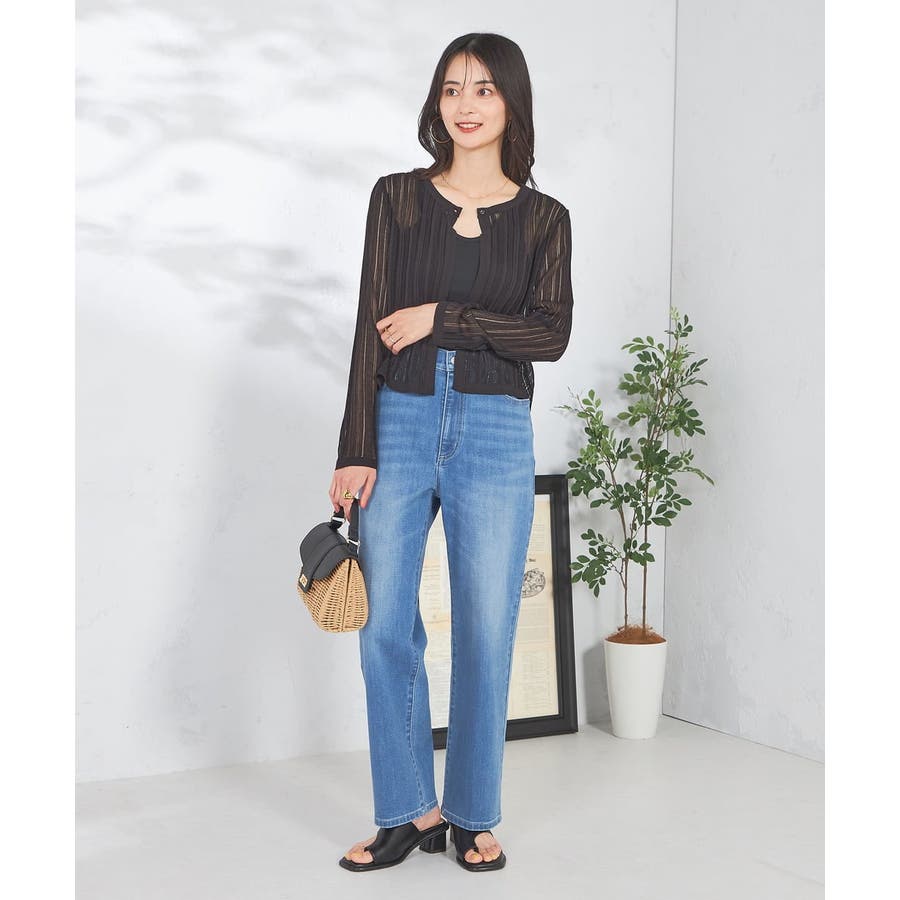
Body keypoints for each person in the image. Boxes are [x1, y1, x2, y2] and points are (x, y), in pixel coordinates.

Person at [330, 33, 574, 873]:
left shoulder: (544, 219)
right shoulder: (397, 198)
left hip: (495, 428)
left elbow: (549, 335)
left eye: (484, 89)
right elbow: (369, 327)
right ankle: (409, 810)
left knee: (486, 625)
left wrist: (445, 316)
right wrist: (356, 445)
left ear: (512, 102)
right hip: (398, 418)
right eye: (451, 88)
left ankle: (471, 814)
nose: (465, 105)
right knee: (383, 625)